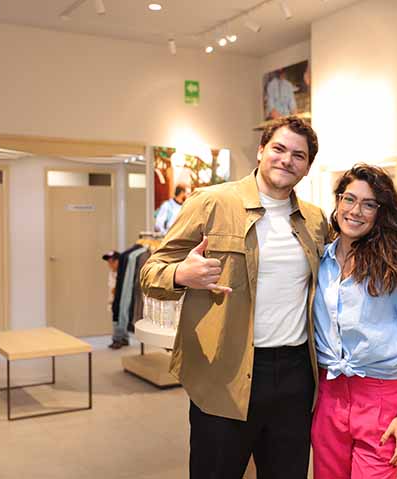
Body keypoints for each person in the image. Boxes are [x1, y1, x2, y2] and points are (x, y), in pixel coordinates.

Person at [140, 117, 328, 478]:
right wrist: (181, 274)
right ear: (260, 151)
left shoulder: (315, 220)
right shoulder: (212, 202)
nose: (286, 160)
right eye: (278, 149)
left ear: (307, 167)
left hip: (295, 375)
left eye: (299, 155)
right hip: (225, 371)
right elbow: (151, 271)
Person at [311, 164, 397, 479]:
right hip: (330, 395)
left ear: (381, 212)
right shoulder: (320, 261)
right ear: (338, 201)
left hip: (382, 398)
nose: (356, 211)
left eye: (369, 204)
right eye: (349, 199)